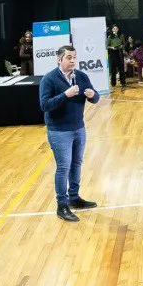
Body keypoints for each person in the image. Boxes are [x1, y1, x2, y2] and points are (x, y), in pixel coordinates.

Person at [39, 45, 101, 222]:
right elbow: (44, 106)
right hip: (59, 131)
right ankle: (62, 205)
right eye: (68, 57)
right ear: (59, 59)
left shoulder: (81, 76)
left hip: (78, 128)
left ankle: (74, 198)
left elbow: (96, 98)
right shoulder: (49, 79)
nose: (72, 60)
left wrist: (92, 95)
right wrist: (65, 95)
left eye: (74, 57)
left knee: (76, 164)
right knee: (63, 168)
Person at [106, 24, 128, 88]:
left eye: (116, 29)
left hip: (119, 52)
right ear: (112, 30)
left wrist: (122, 46)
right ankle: (113, 83)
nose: (115, 30)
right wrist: (112, 47)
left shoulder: (121, 36)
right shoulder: (110, 37)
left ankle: (123, 82)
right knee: (113, 69)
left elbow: (124, 44)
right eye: (114, 29)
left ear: (118, 29)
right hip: (113, 53)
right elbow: (107, 46)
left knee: (121, 68)